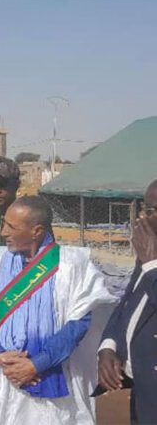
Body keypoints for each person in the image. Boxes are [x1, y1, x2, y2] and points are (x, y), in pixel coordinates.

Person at [0, 196, 116, 425]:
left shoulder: (73, 266)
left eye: (11, 227)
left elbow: (78, 324)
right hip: (3, 377)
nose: (3, 232)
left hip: (54, 376)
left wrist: (36, 364)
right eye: (3, 224)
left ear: (36, 231)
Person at [98, 179, 157, 423]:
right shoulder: (149, 253)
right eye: (143, 208)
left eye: (151, 210)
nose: (142, 217)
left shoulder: (150, 257)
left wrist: (152, 265)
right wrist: (109, 346)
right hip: (143, 394)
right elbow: (128, 303)